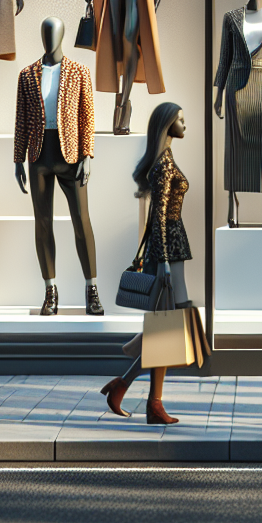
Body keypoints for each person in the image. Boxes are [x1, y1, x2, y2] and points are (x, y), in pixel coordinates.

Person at [99, 104, 208, 424]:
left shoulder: (167, 159)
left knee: (168, 328)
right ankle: (150, 401)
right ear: (166, 126)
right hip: (168, 253)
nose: (185, 125)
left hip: (172, 249)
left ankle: (129, 389)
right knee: (169, 327)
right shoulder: (163, 165)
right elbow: (157, 217)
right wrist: (160, 264)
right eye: (180, 121)